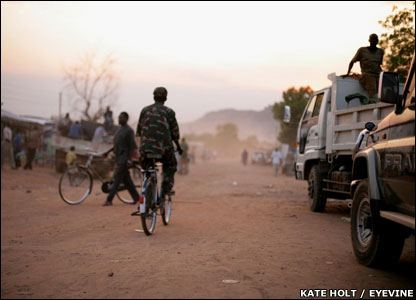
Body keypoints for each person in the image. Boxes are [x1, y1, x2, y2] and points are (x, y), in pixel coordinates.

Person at [136, 87, 182, 206]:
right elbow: (175, 135)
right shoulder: (169, 112)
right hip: (164, 150)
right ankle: (165, 191)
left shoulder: (145, 110)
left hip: (146, 150)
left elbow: (139, 132)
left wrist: (140, 149)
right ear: (165, 98)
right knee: (170, 165)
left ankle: (148, 187)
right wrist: (179, 147)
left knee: (146, 167)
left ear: (153, 97)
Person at [102, 112, 140, 206]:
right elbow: (115, 146)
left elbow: (132, 147)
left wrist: (130, 160)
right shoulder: (119, 130)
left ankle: (109, 200)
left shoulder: (129, 131)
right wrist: (107, 152)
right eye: (118, 117)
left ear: (126, 119)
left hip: (124, 159)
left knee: (117, 179)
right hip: (118, 158)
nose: (119, 119)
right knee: (127, 180)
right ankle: (136, 197)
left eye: (121, 118)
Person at [343, 33, 384, 99]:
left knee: (386, 88)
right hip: (367, 75)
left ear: (377, 41)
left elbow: (379, 64)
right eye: (372, 39)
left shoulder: (380, 51)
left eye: (375, 39)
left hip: (378, 75)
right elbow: (352, 62)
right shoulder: (362, 50)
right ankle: (372, 104)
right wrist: (348, 73)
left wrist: (384, 75)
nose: (373, 41)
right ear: (369, 40)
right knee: (373, 89)